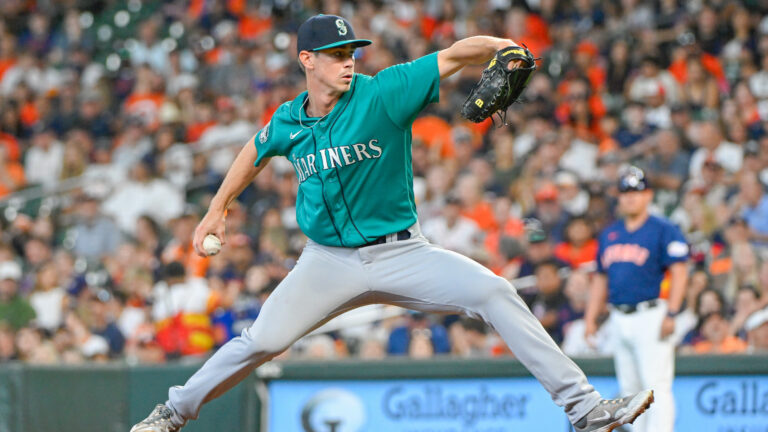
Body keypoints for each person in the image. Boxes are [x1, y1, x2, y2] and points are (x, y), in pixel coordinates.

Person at [131, 15, 653, 432]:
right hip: (326, 261)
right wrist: (217, 206)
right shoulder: (288, 118)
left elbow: (453, 55)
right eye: (335, 56)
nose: (347, 63)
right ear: (306, 61)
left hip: (403, 253)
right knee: (260, 342)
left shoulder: (384, 92)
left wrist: (503, 45)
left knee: (494, 292)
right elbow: (256, 149)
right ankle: (172, 415)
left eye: (351, 54)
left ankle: (584, 409)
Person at [585, 166, 688, 432]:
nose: (631, 197)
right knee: (630, 390)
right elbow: (600, 278)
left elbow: (679, 270)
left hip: (651, 314)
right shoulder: (610, 233)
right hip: (619, 316)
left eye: (636, 192)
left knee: (656, 386)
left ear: (649, 195)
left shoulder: (663, 229)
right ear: (618, 197)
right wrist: (590, 319)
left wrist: (673, 312)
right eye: (625, 192)